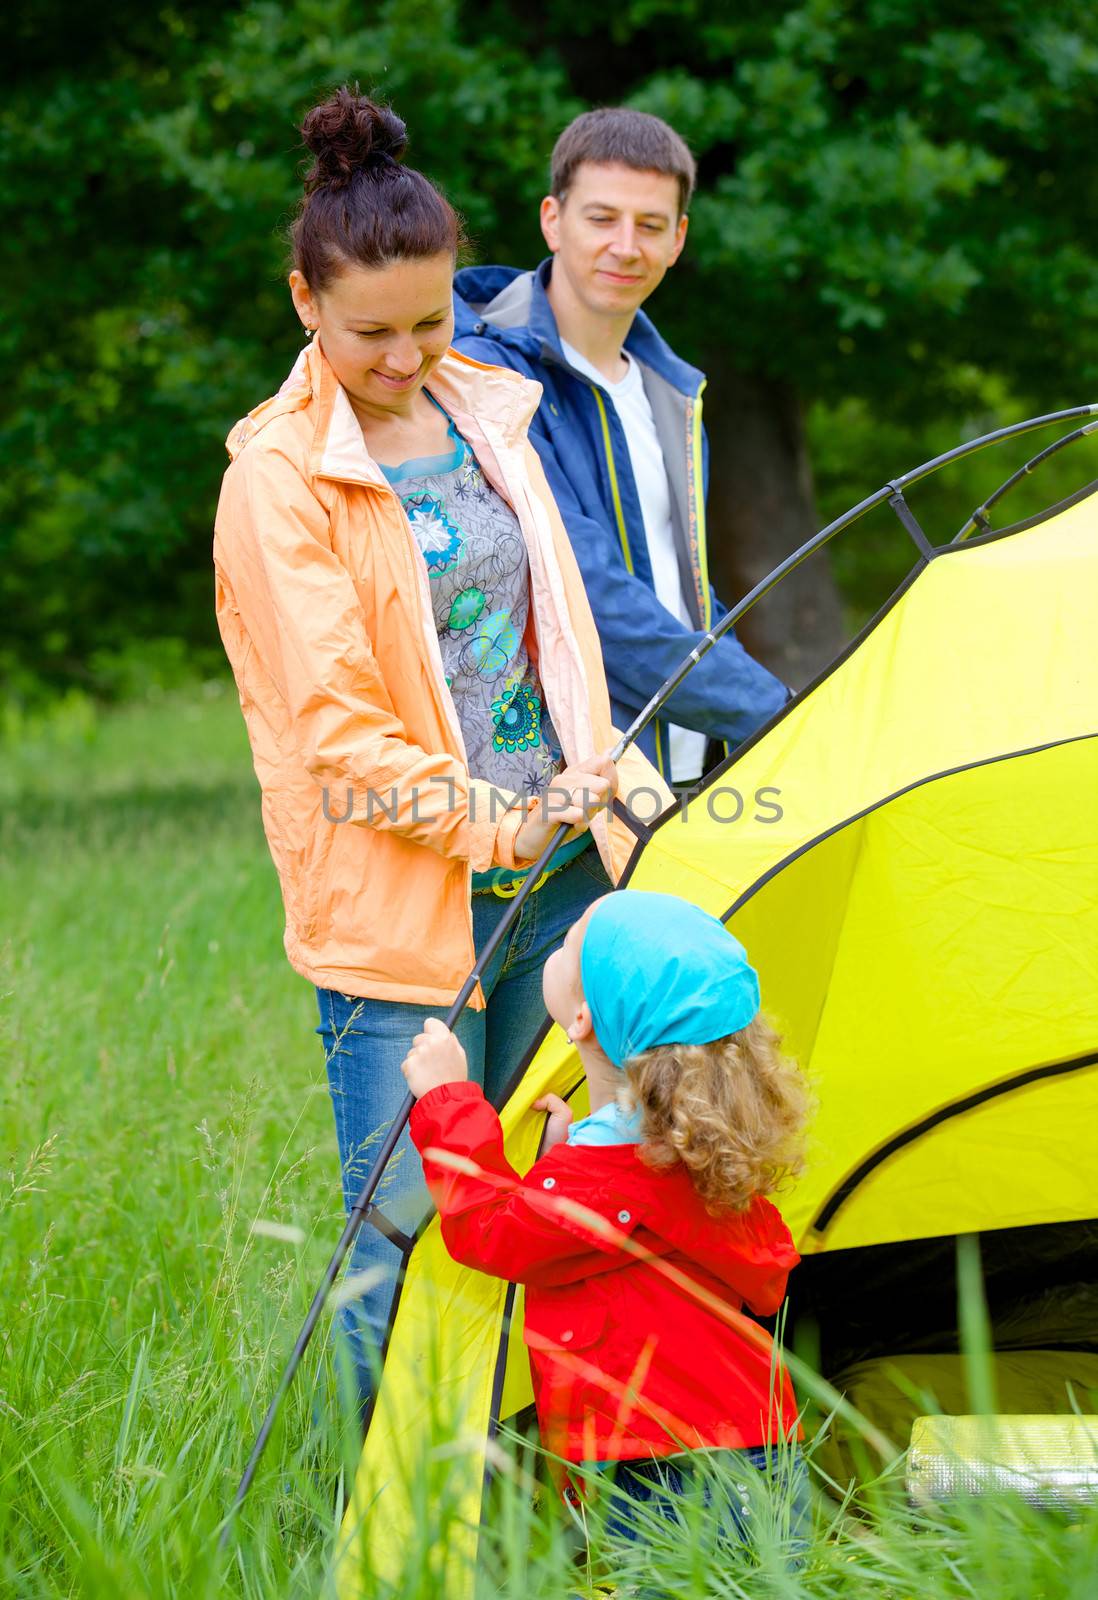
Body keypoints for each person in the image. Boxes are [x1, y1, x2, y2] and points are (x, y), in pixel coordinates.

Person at [213, 88, 668, 1409]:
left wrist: (594, 779)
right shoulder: (277, 479)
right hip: (404, 914)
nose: (407, 354)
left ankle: (525, 1476)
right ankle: (391, 1527)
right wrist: (491, 819)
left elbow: (555, 640)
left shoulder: (491, 410)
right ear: (305, 300)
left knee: (554, 1190)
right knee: (402, 1233)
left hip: (560, 886)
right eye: (371, 331)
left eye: (427, 321)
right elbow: (337, 736)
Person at [401, 889, 811, 1553]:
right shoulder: (688, 1149)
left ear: (582, 1018)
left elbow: (492, 1230)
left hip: (673, 1472)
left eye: (570, 945)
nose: (561, 945)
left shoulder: (606, 1183)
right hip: (748, 1448)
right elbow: (624, 1228)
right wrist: (569, 1152)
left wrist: (449, 1098)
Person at [453, 108, 789, 790]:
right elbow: (588, 593)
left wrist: (751, 709)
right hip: (566, 782)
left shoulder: (672, 391)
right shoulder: (490, 376)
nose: (625, 246)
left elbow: (683, 586)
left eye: (651, 225)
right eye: (601, 219)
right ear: (553, 219)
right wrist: (775, 710)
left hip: (686, 766)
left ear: (679, 239)